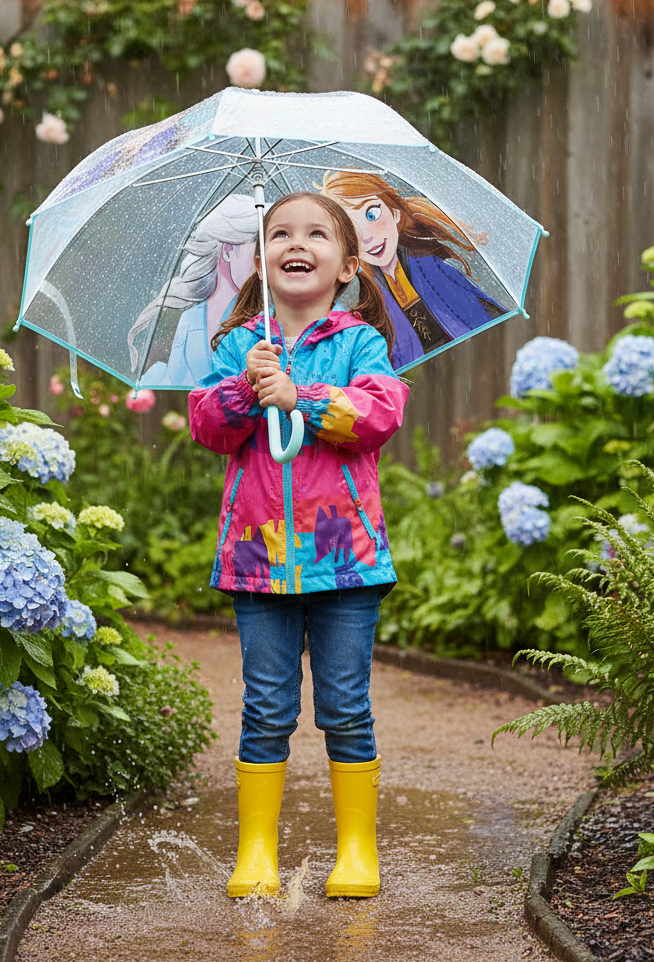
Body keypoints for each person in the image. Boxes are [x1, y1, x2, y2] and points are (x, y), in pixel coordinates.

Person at [188, 191, 409, 900]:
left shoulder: (361, 343)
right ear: (261, 256)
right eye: (281, 232)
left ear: (347, 265)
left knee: (344, 704)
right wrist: (249, 391)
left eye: (317, 234)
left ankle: (357, 850)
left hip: (344, 559)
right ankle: (257, 852)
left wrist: (302, 397)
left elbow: (378, 414)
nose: (297, 242)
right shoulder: (238, 345)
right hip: (258, 561)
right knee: (267, 707)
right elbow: (206, 424)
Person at [321, 170, 509, 370]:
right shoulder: (362, 295)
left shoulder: (433, 266)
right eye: (351, 229)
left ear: (394, 213)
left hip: (469, 360)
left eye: (372, 214)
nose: (366, 237)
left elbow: (475, 312)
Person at [128, 193, 259, 385]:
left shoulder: (264, 320)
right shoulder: (189, 320)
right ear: (228, 250)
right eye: (256, 249)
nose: (261, 260)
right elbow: (173, 381)